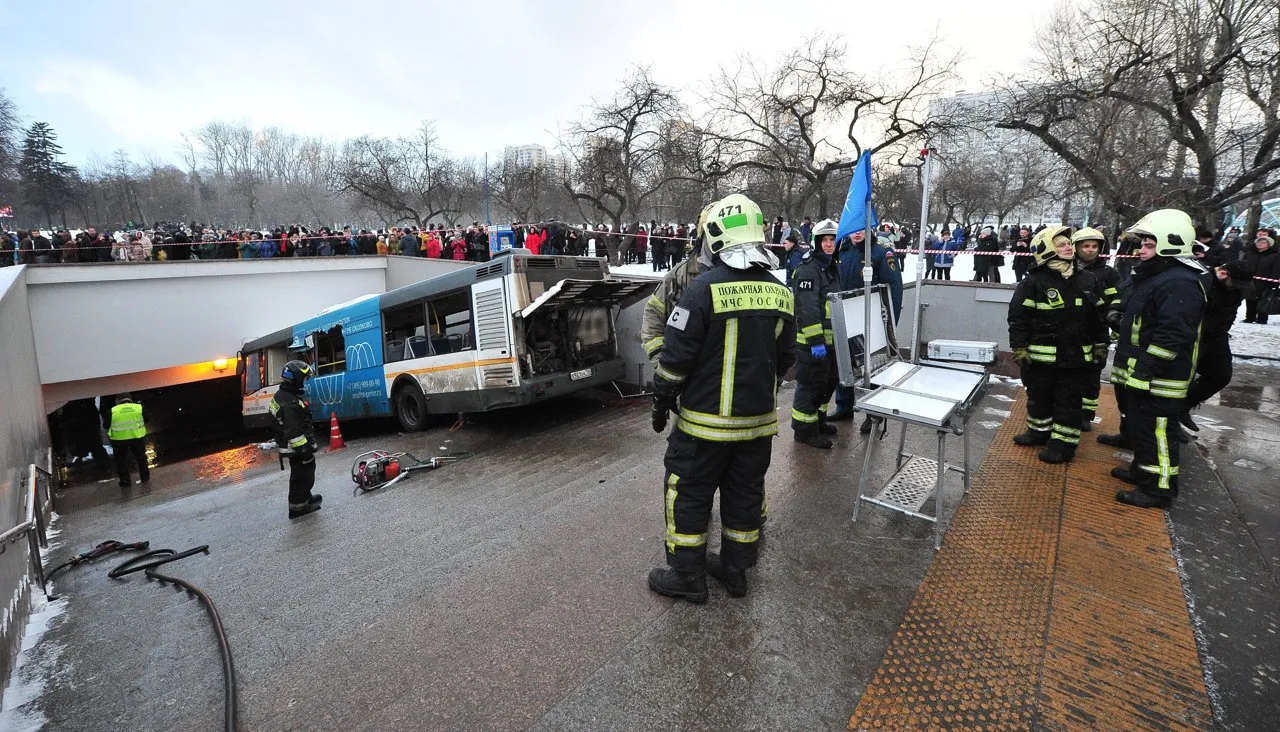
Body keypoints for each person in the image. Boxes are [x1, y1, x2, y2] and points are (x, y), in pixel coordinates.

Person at [648, 193, 796, 602]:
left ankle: (688, 577)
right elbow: (786, 359)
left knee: (689, 494)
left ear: (714, 236)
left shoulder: (701, 290)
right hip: (758, 425)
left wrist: (662, 400)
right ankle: (735, 571)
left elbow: (674, 362)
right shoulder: (781, 293)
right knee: (744, 495)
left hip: (703, 428)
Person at [1109, 209, 1208, 509]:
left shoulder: (1178, 282)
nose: (1141, 250)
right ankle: (1143, 472)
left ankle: (1159, 490)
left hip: (1161, 377)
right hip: (1146, 372)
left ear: (1170, 245)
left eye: (1149, 245)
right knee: (1144, 429)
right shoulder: (1160, 277)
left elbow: (1171, 337)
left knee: (1160, 434)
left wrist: (1145, 372)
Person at [1007, 227, 1109, 463]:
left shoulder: (1088, 280)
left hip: (1075, 359)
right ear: (1045, 249)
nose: (1068, 247)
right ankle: (1039, 432)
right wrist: (1019, 347)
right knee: (1038, 397)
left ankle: (1063, 445)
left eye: (1068, 244)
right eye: (1061, 244)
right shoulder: (1033, 283)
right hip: (1041, 358)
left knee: (1068, 402)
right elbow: (1019, 318)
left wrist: (1101, 343)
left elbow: (1098, 317)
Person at [828, 227, 904, 430]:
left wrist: (890, 323)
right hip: (845, 314)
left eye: (861, 227)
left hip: (871, 318)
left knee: (874, 367)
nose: (857, 232)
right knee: (845, 362)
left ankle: (874, 413)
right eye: (853, 228)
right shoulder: (842, 249)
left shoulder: (880, 251)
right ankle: (844, 406)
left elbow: (893, 288)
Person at [1181, 260, 1255, 431]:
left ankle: (1183, 407)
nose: (1238, 287)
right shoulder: (1202, 281)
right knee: (1183, 378)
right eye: (1235, 283)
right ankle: (1170, 421)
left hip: (1217, 336)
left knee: (1221, 375)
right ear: (1223, 273)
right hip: (1194, 336)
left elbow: (1230, 310)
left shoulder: (1236, 288)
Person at [641, 204, 715, 365]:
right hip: (688, 374)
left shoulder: (750, 279)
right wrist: (662, 361)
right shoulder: (680, 275)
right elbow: (653, 313)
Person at [789, 218, 841, 449]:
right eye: (825, 240)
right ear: (816, 242)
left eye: (832, 240)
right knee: (809, 386)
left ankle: (818, 421)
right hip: (812, 344)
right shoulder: (809, 269)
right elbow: (807, 310)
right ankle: (804, 430)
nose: (829, 244)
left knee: (826, 384)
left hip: (831, 343)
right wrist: (816, 342)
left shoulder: (831, 267)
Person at [1072, 227, 1125, 428]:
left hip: (1097, 332)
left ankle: (1086, 414)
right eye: (1086, 246)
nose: (1090, 250)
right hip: (1072, 330)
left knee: (1092, 373)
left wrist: (1110, 313)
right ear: (1076, 247)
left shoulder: (1108, 274)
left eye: (1095, 246)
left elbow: (1117, 299)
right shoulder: (1067, 269)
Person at [270, 360, 323, 519]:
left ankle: (305, 497)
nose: (305, 382)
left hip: (292, 447)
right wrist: (305, 449)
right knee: (302, 475)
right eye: (304, 378)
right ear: (296, 379)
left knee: (303, 473)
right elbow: (294, 433)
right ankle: (298, 508)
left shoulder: (285, 395)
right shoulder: (290, 403)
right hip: (296, 449)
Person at [106, 394, 150, 488]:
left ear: (117, 401)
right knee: (141, 458)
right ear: (130, 399)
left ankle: (125, 481)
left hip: (119, 440)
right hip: (137, 437)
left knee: (120, 461)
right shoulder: (139, 408)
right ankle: (145, 478)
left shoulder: (112, 411)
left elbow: (105, 425)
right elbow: (146, 419)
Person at [1242, 231, 1278, 324]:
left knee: (1263, 300)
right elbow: (1243, 265)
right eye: (1258, 242)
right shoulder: (1249, 254)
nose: (1260, 244)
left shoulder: (1274, 256)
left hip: (1266, 282)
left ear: (1268, 244)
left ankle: (1262, 318)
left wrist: (1274, 282)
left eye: (1263, 242)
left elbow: (1276, 270)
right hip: (1250, 281)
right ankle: (1250, 317)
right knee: (1250, 299)